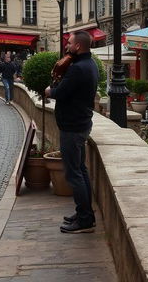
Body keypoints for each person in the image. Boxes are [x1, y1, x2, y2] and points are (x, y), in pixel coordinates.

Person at [45, 31, 98, 233]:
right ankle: (85, 214)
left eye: (69, 43)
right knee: (81, 171)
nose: (66, 45)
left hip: (73, 127)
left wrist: (50, 90)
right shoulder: (90, 65)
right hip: (81, 125)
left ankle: (85, 220)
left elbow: (60, 92)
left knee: (74, 173)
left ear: (77, 47)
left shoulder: (77, 69)